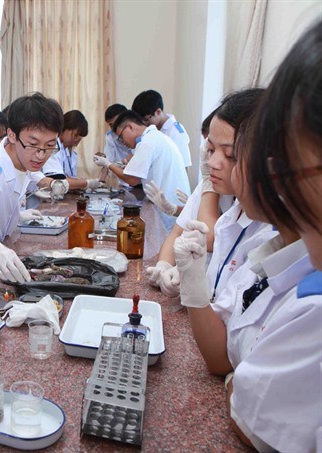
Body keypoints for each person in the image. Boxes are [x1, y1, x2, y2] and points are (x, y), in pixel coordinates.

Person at [174, 21, 321, 450]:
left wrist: (243, 381)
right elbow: (229, 358)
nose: (218, 165)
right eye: (211, 151)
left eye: (234, 156)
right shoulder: (277, 251)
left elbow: (254, 416)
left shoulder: (310, 297)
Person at [147, 90, 272, 297]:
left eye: (230, 154)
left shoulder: (262, 221)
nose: (212, 163)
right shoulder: (229, 200)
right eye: (211, 150)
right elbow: (177, 233)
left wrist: (209, 187)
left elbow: (211, 238)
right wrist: (163, 266)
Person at [0, 92, 63, 283]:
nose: (41, 155)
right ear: (12, 135)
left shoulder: (23, 159)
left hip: (4, 247)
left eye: (49, 146)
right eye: (33, 145)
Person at [94, 110, 189, 231]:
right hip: (170, 206)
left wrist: (108, 164)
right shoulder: (154, 137)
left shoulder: (148, 142)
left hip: (169, 209)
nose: (122, 142)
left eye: (121, 137)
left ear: (130, 127)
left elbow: (132, 179)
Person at [41, 110, 101, 192]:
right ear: (64, 128)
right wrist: (86, 183)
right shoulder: (53, 147)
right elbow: (58, 180)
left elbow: (70, 179)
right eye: (75, 135)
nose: (77, 140)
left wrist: (80, 183)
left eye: (80, 138)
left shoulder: (71, 153)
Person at [132, 89, 192, 168]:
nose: (145, 124)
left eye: (147, 120)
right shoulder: (153, 129)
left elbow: (183, 166)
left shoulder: (176, 132)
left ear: (158, 112)